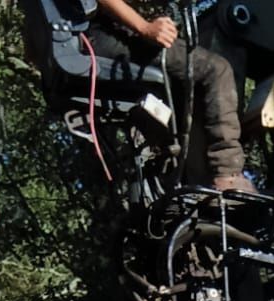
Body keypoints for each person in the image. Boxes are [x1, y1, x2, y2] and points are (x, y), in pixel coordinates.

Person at [89, 0, 255, 192]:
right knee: (216, 69)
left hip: (100, 37)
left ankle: (184, 182)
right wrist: (145, 27)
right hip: (105, 36)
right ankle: (228, 173)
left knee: (182, 84)